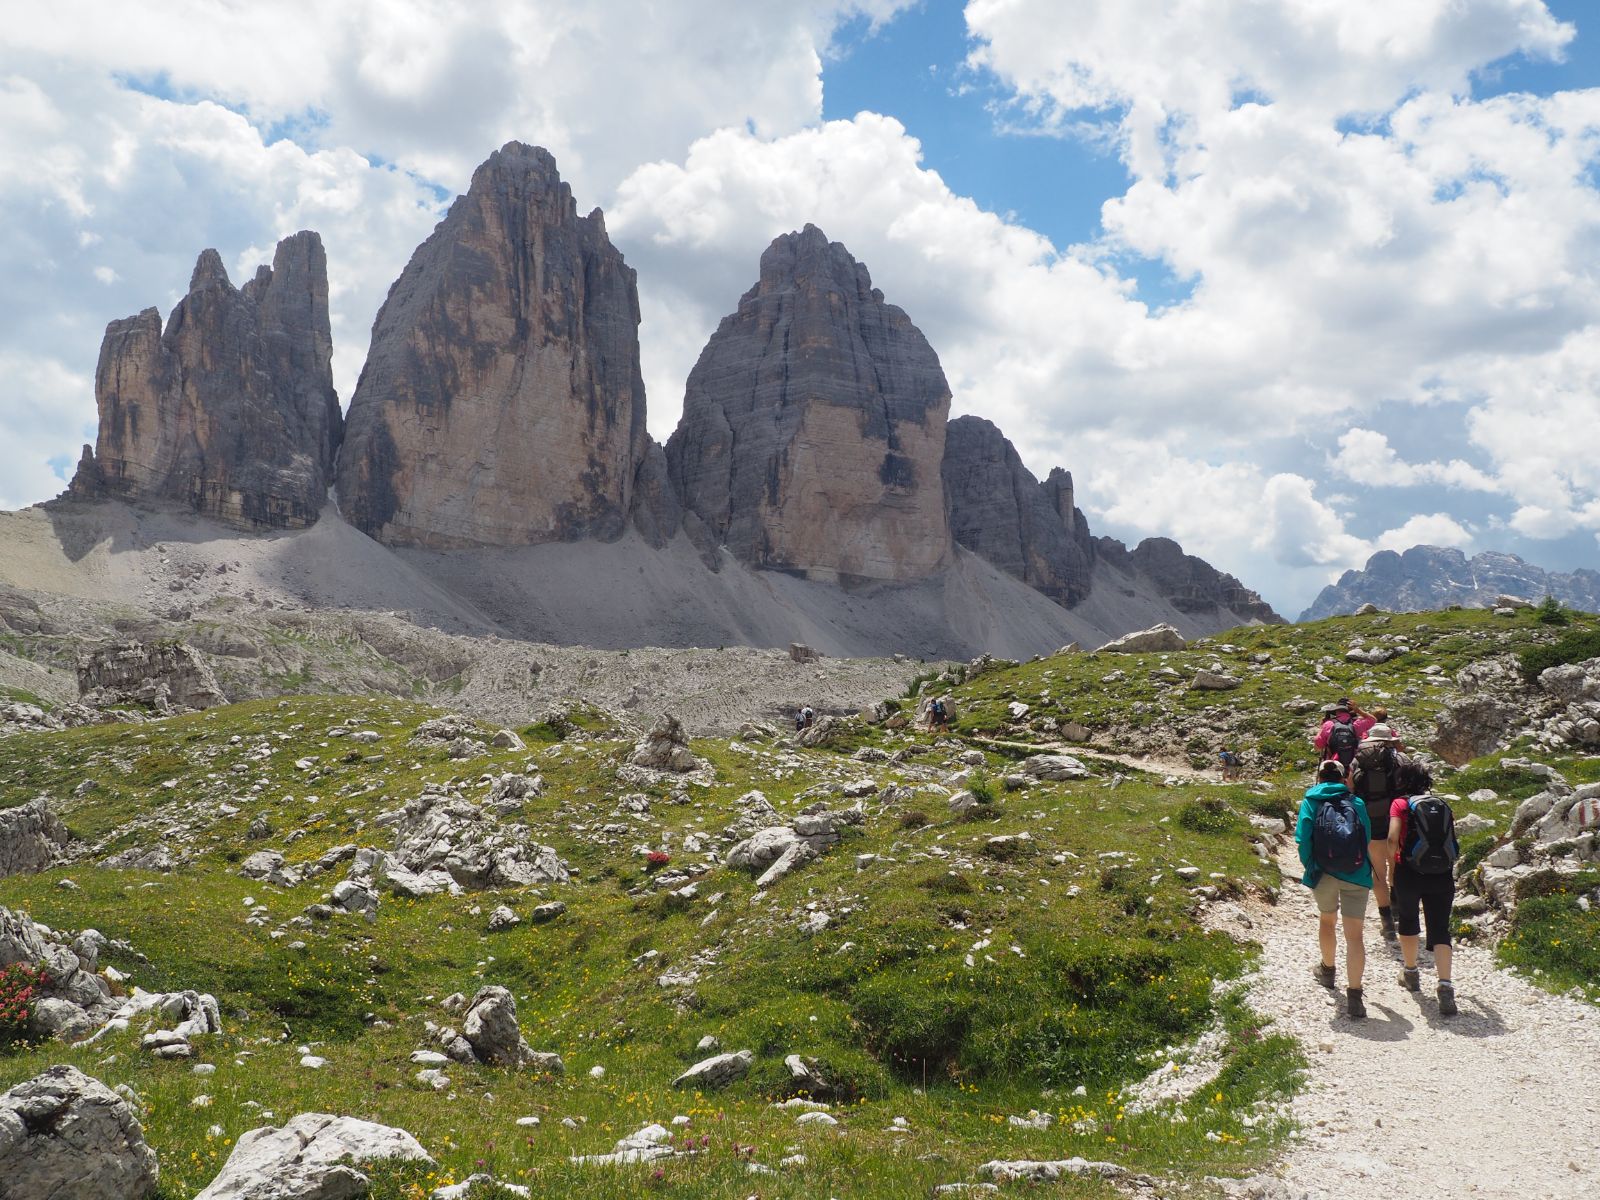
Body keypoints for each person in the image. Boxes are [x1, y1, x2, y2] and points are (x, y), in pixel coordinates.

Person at [1296, 759, 1374, 1019]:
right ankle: (1355, 996)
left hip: (1324, 872)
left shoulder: (1310, 801)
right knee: (1355, 936)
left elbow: (1303, 839)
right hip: (1356, 874)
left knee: (1327, 921)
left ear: (1318, 777)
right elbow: (1366, 837)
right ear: (1344, 777)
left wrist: (1311, 865)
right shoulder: (1357, 803)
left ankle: (1327, 971)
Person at [1387, 761, 1461, 1016]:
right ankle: (1445, 986)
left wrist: (1390, 868)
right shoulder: (1441, 804)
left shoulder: (1400, 804)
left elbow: (1392, 838)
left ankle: (1411, 972)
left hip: (1408, 871)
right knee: (1440, 928)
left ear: (1402, 780)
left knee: (1408, 920)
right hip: (1442, 873)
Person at [1350, 723, 1407, 941]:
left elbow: (1350, 788)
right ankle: (1396, 908)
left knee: (1377, 871)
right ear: (1390, 740)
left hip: (1370, 819)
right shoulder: (1401, 759)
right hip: (1397, 819)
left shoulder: (1359, 760)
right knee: (1395, 863)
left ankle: (1387, 923)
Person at [1314, 699, 1374, 771]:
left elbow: (1318, 745)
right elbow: (1373, 720)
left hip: (1333, 764)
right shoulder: (1356, 723)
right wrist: (1358, 710)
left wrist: (1321, 727)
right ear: (1350, 710)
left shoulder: (1328, 724)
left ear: (1336, 710)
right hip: (1352, 763)